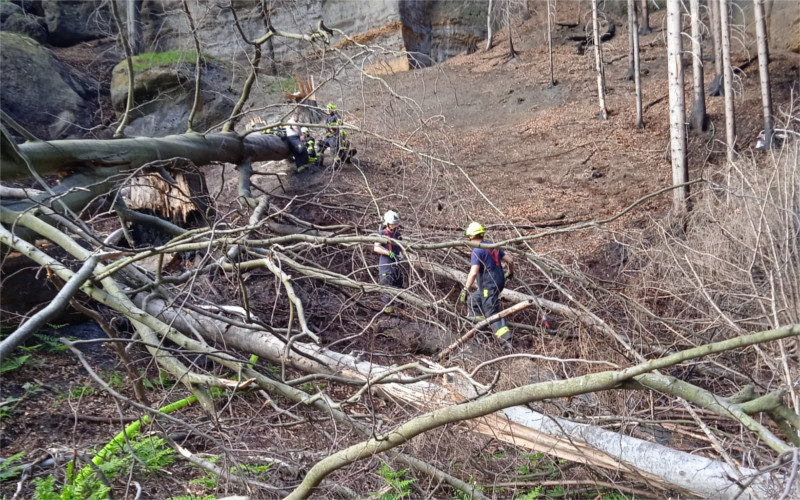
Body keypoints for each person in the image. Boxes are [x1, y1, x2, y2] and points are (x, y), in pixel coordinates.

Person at [459, 222, 514, 346]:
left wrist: (465, 289)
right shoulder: (493, 246)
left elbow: (473, 273)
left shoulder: (477, 251)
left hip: (489, 286)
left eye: (469, 237)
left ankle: (507, 343)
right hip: (498, 283)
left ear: (471, 237)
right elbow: (510, 260)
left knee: (492, 313)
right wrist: (510, 273)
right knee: (473, 301)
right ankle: (480, 333)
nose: (469, 240)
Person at [373, 210, 405, 313]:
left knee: (399, 288)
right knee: (387, 290)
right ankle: (388, 313)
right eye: (393, 223)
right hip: (386, 265)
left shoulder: (398, 235)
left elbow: (401, 248)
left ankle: (400, 311)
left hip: (397, 265)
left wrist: (402, 255)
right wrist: (388, 253)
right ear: (387, 223)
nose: (395, 225)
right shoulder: (382, 234)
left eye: (396, 223)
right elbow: (376, 248)